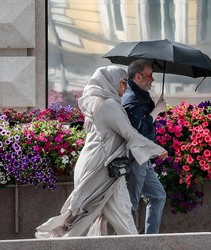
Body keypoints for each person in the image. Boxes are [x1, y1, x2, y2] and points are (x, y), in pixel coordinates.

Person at [35, 66, 167, 238]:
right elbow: (130, 133)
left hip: (105, 168)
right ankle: (55, 247)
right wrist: (157, 150)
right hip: (100, 169)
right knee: (87, 216)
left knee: (97, 215)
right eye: (122, 83)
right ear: (111, 82)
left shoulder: (100, 103)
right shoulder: (109, 105)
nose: (125, 87)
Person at [122, 59, 167, 234]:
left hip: (143, 158)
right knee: (130, 204)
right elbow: (137, 131)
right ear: (138, 76)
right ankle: (124, 246)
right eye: (150, 75)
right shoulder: (131, 98)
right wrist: (156, 111)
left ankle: (150, 242)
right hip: (135, 158)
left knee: (158, 195)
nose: (153, 79)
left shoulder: (139, 96)